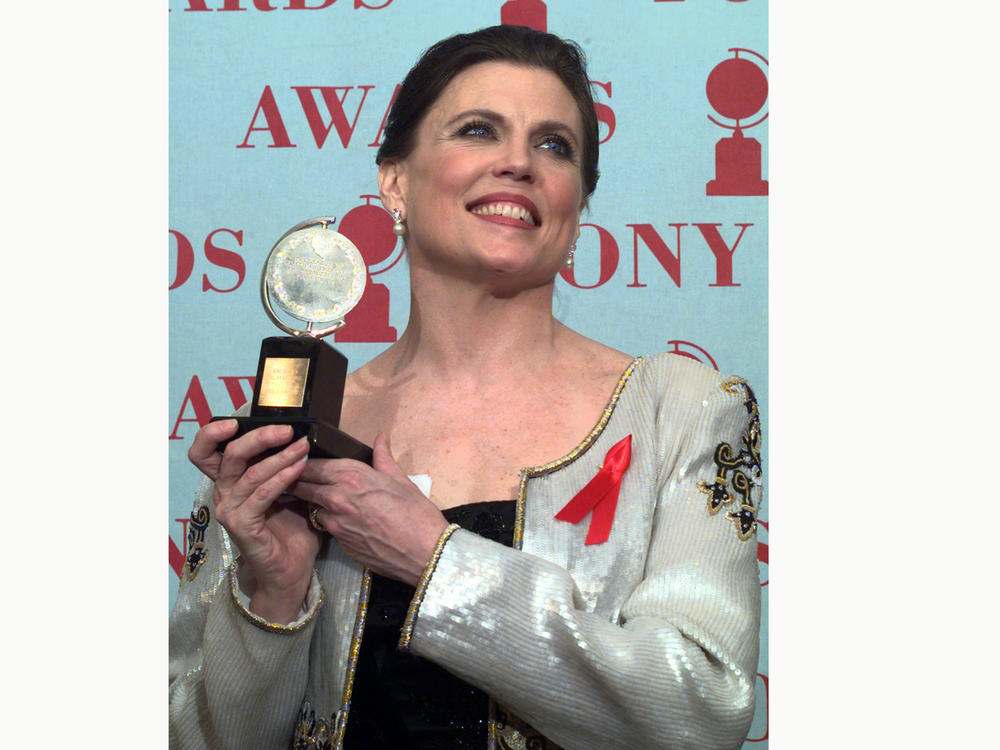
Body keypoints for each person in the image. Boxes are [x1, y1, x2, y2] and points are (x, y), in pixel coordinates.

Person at [169, 24, 762, 750]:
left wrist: (435, 559)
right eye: (478, 130)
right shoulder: (287, 431)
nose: (518, 162)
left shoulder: (684, 409)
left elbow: (702, 713)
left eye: (555, 146)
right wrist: (273, 597)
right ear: (395, 179)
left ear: (579, 205)